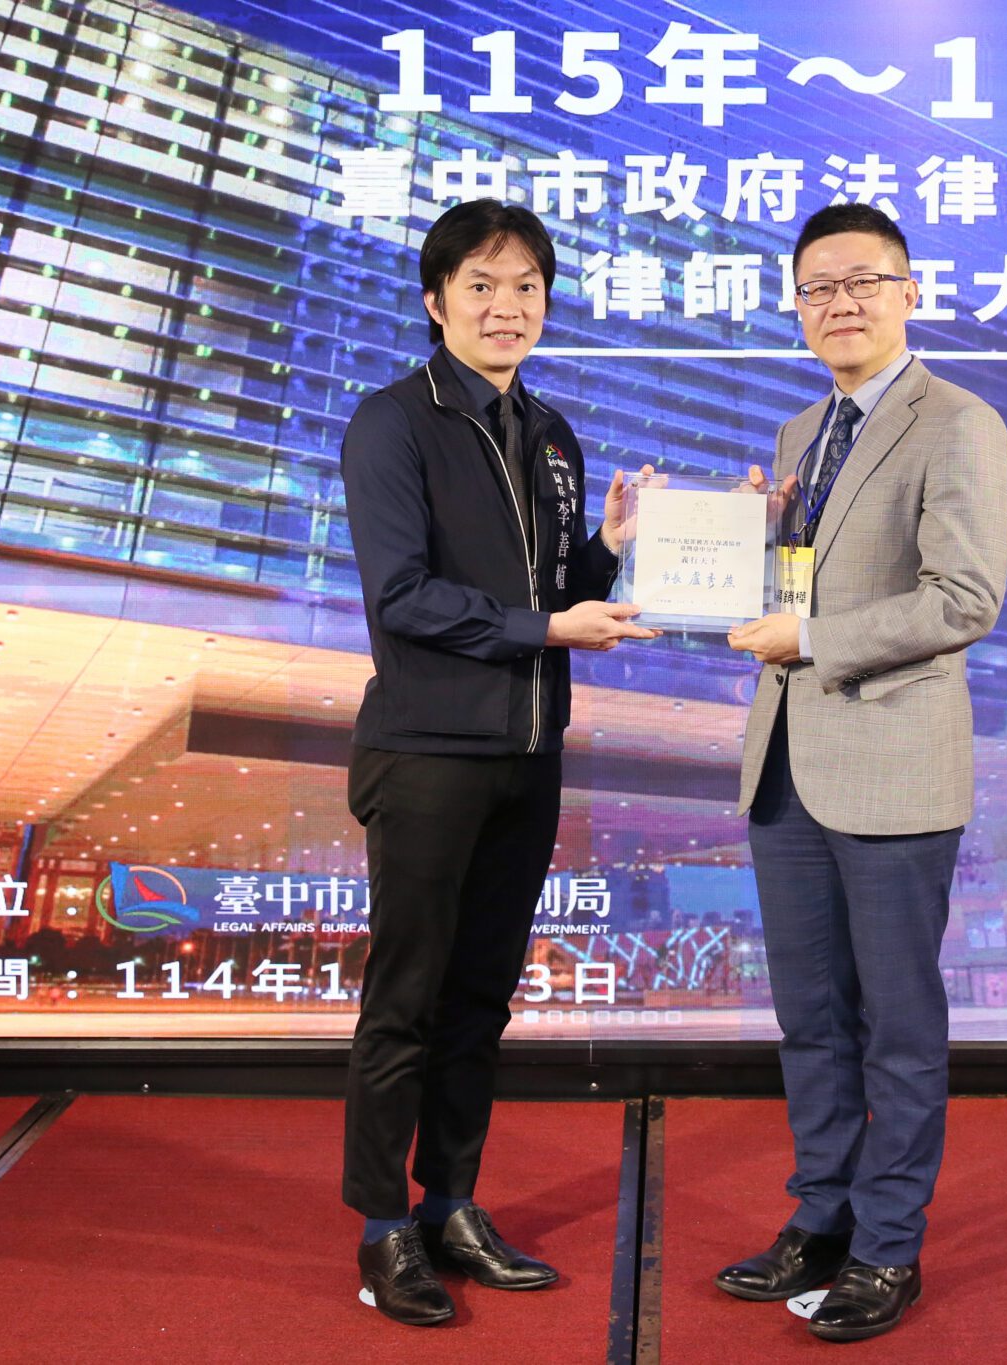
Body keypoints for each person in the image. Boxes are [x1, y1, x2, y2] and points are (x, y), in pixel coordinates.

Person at [340, 198, 656, 1326]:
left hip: (529, 755)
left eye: (526, 286)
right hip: (426, 751)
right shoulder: (392, 422)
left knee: (481, 999)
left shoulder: (552, 434)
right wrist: (549, 627)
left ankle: (451, 1203)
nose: (506, 306)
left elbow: (554, 591)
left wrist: (607, 551)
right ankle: (384, 1228)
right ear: (437, 303)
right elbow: (403, 596)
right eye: (481, 284)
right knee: (407, 1000)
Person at [720, 202, 1007, 1342]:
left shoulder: (959, 422)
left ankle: (888, 1246)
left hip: (893, 761)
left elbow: (963, 599)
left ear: (907, 292)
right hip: (789, 761)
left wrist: (811, 637)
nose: (838, 304)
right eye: (817, 288)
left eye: (861, 282)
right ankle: (822, 1217)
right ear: (797, 307)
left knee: (895, 1023)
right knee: (809, 1018)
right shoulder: (803, 430)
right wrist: (741, 549)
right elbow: (804, 586)